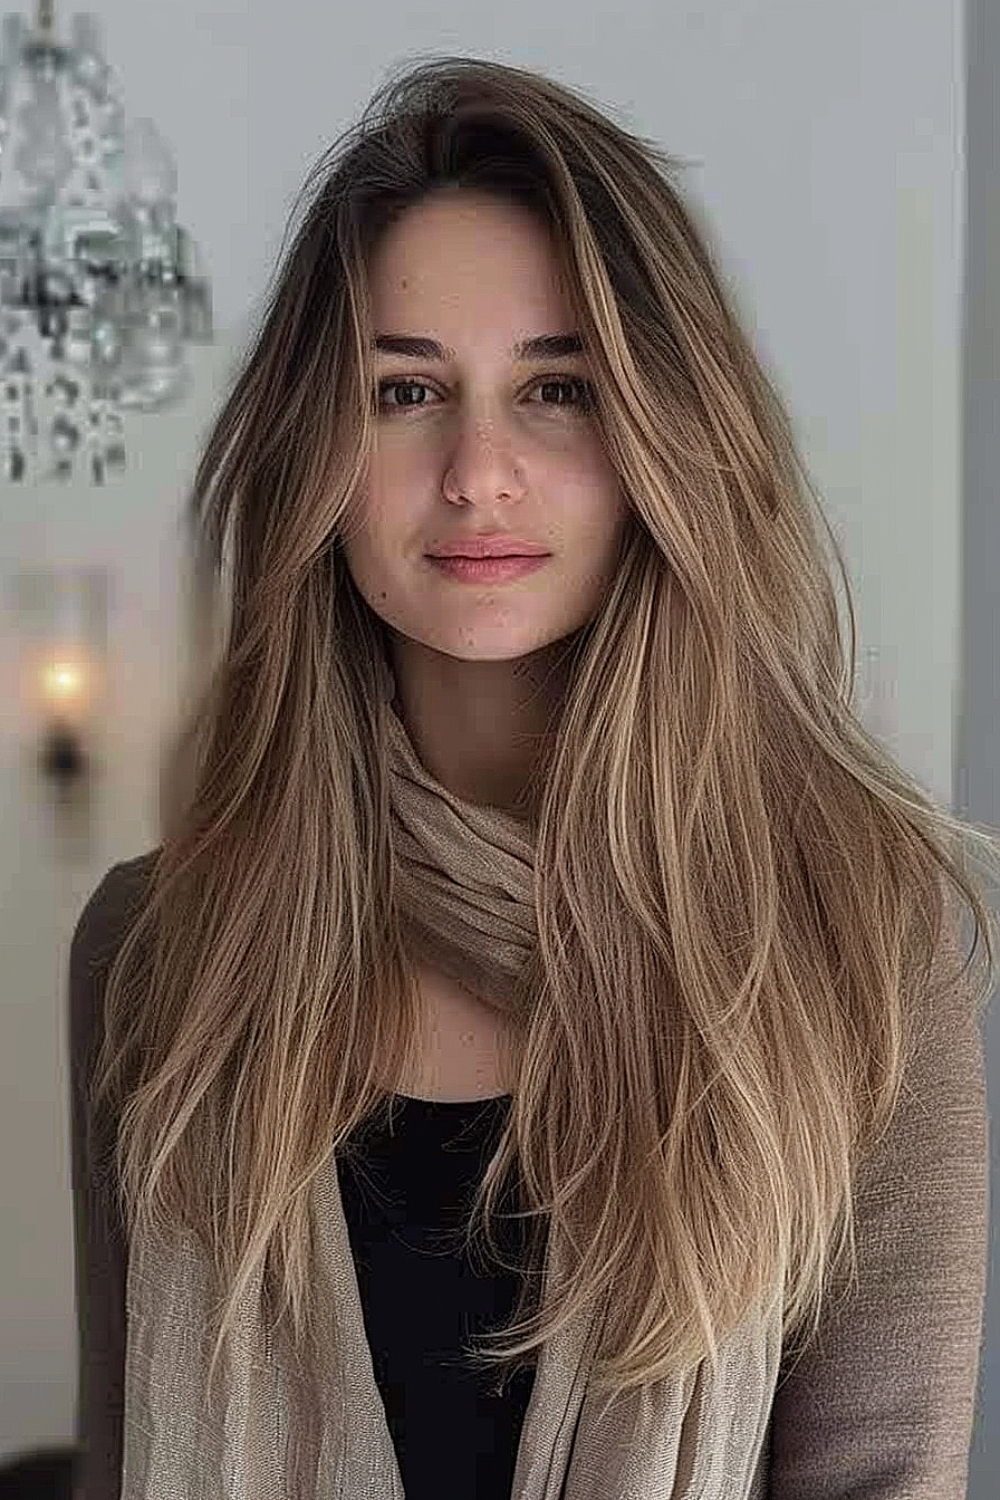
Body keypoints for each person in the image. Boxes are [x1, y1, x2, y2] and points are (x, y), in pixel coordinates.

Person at [69, 53, 997, 1500]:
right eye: (403, 390)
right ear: (318, 445)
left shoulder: (856, 938)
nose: (477, 471)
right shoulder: (163, 947)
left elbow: (885, 1476)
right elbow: (128, 1452)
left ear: (660, 440)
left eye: (557, 387)